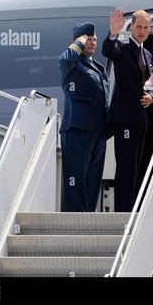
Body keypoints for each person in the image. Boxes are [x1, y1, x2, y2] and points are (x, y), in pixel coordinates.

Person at [102, 9, 153, 212]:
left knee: (135, 169)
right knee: (125, 168)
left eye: (146, 27)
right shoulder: (122, 48)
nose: (142, 31)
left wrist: (152, 97)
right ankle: (123, 215)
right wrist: (113, 33)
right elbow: (107, 50)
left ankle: (132, 211)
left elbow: (149, 83)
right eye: (139, 26)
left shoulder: (147, 54)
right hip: (124, 119)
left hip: (141, 119)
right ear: (131, 26)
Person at [58, 23, 110, 212]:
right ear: (77, 41)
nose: (92, 42)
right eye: (87, 39)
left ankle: (87, 219)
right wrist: (78, 44)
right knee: (75, 180)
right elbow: (63, 60)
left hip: (98, 131)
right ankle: (75, 222)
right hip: (77, 129)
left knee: (93, 181)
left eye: (94, 39)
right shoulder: (71, 63)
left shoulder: (98, 67)